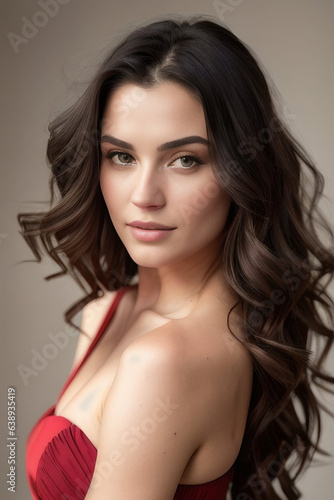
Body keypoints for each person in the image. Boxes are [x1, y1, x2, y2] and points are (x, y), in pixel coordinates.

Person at [20, 16, 334, 500]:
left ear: (242, 172)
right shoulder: (107, 311)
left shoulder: (165, 361)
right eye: (121, 156)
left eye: (185, 159)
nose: (144, 195)